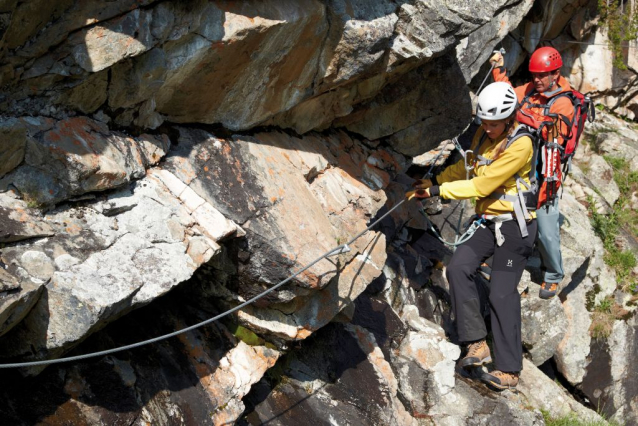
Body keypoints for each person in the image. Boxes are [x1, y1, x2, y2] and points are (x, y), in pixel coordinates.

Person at [406, 82, 538, 390]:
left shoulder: (522, 145)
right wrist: (434, 180)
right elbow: (468, 170)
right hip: (489, 223)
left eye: (495, 124)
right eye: (485, 122)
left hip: (515, 228)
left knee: (501, 292)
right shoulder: (482, 135)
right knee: (458, 268)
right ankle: (476, 342)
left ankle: (509, 369)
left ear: (509, 118)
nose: (489, 128)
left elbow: (483, 185)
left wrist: (438, 191)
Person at [488, 46, 574, 299]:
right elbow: (507, 95)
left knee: (546, 228)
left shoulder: (563, 102)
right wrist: (498, 69)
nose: (536, 80)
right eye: (534, 75)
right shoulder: (529, 91)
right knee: (505, 211)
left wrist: (522, 115)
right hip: (523, 165)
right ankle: (494, 255)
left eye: (542, 75)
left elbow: (553, 133)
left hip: (547, 171)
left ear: (555, 73)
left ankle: (553, 274)